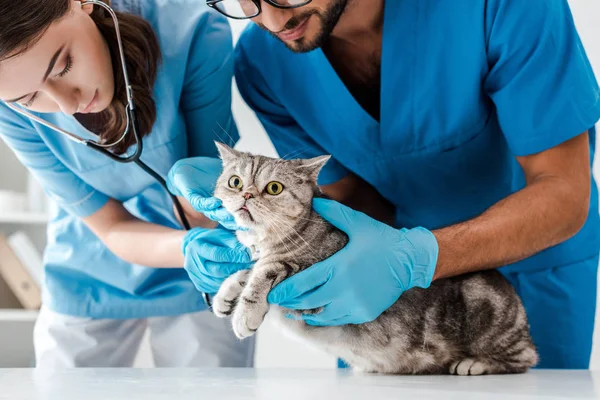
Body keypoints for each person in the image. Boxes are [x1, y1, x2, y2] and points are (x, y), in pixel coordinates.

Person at [170, 0, 600, 369]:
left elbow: (563, 191)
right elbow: (347, 203)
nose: (269, 20)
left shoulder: (502, 6)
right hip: (382, 300)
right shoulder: (263, 61)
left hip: (530, 269)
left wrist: (415, 258)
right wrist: (267, 243)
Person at [0, 0, 254, 368]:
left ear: (81, 4)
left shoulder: (193, 31)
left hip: (201, 270)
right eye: (30, 98)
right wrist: (187, 247)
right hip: (90, 268)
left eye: (64, 65)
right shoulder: (9, 110)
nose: (67, 105)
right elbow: (112, 227)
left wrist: (201, 228)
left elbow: (204, 199)